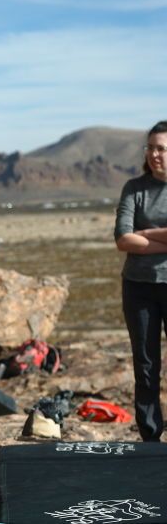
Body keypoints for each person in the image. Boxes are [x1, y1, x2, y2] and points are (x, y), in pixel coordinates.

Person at [114, 120, 167, 442]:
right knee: (146, 365)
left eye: (161, 148)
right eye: (150, 147)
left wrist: (145, 235)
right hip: (139, 287)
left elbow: (134, 237)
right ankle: (150, 436)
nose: (154, 154)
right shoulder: (134, 189)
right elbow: (122, 239)